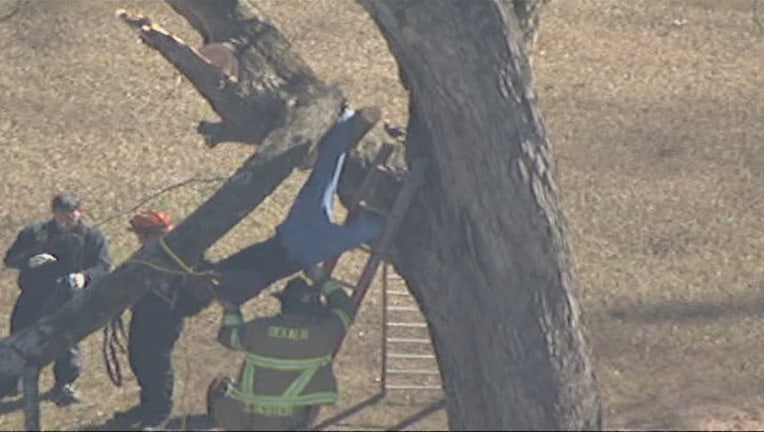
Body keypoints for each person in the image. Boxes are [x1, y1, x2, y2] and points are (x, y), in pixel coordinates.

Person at [212, 106, 384, 307]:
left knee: (323, 175)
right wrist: (223, 294)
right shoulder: (233, 293)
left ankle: (346, 121)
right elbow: (253, 283)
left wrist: (214, 277)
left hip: (291, 234)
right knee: (370, 229)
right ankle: (406, 220)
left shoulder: (217, 271)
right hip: (302, 251)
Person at [207, 265, 353, 430]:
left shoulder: (259, 329)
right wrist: (322, 279)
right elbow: (345, 309)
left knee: (220, 386)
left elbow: (228, 337)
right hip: (289, 422)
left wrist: (230, 310)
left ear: (283, 304)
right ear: (313, 307)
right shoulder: (323, 333)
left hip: (247, 420)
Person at [1, 191, 112, 406]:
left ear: (80, 212)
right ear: (54, 213)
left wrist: (84, 277)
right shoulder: (35, 233)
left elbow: (103, 266)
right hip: (34, 295)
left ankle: (64, 385)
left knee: (66, 341)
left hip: (68, 298)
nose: (67, 218)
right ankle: (12, 381)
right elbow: (11, 258)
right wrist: (30, 259)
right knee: (20, 336)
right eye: (62, 213)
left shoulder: (92, 237)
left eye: (72, 213)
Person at [112, 210, 212, 430]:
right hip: (143, 317)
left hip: (165, 319)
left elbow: (197, 287)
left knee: (157, 365)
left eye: (143, 235)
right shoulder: (146, 255)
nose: (140, 240)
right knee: (138, 359)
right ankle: (147, 404)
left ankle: (159, 412)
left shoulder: (182, 258)